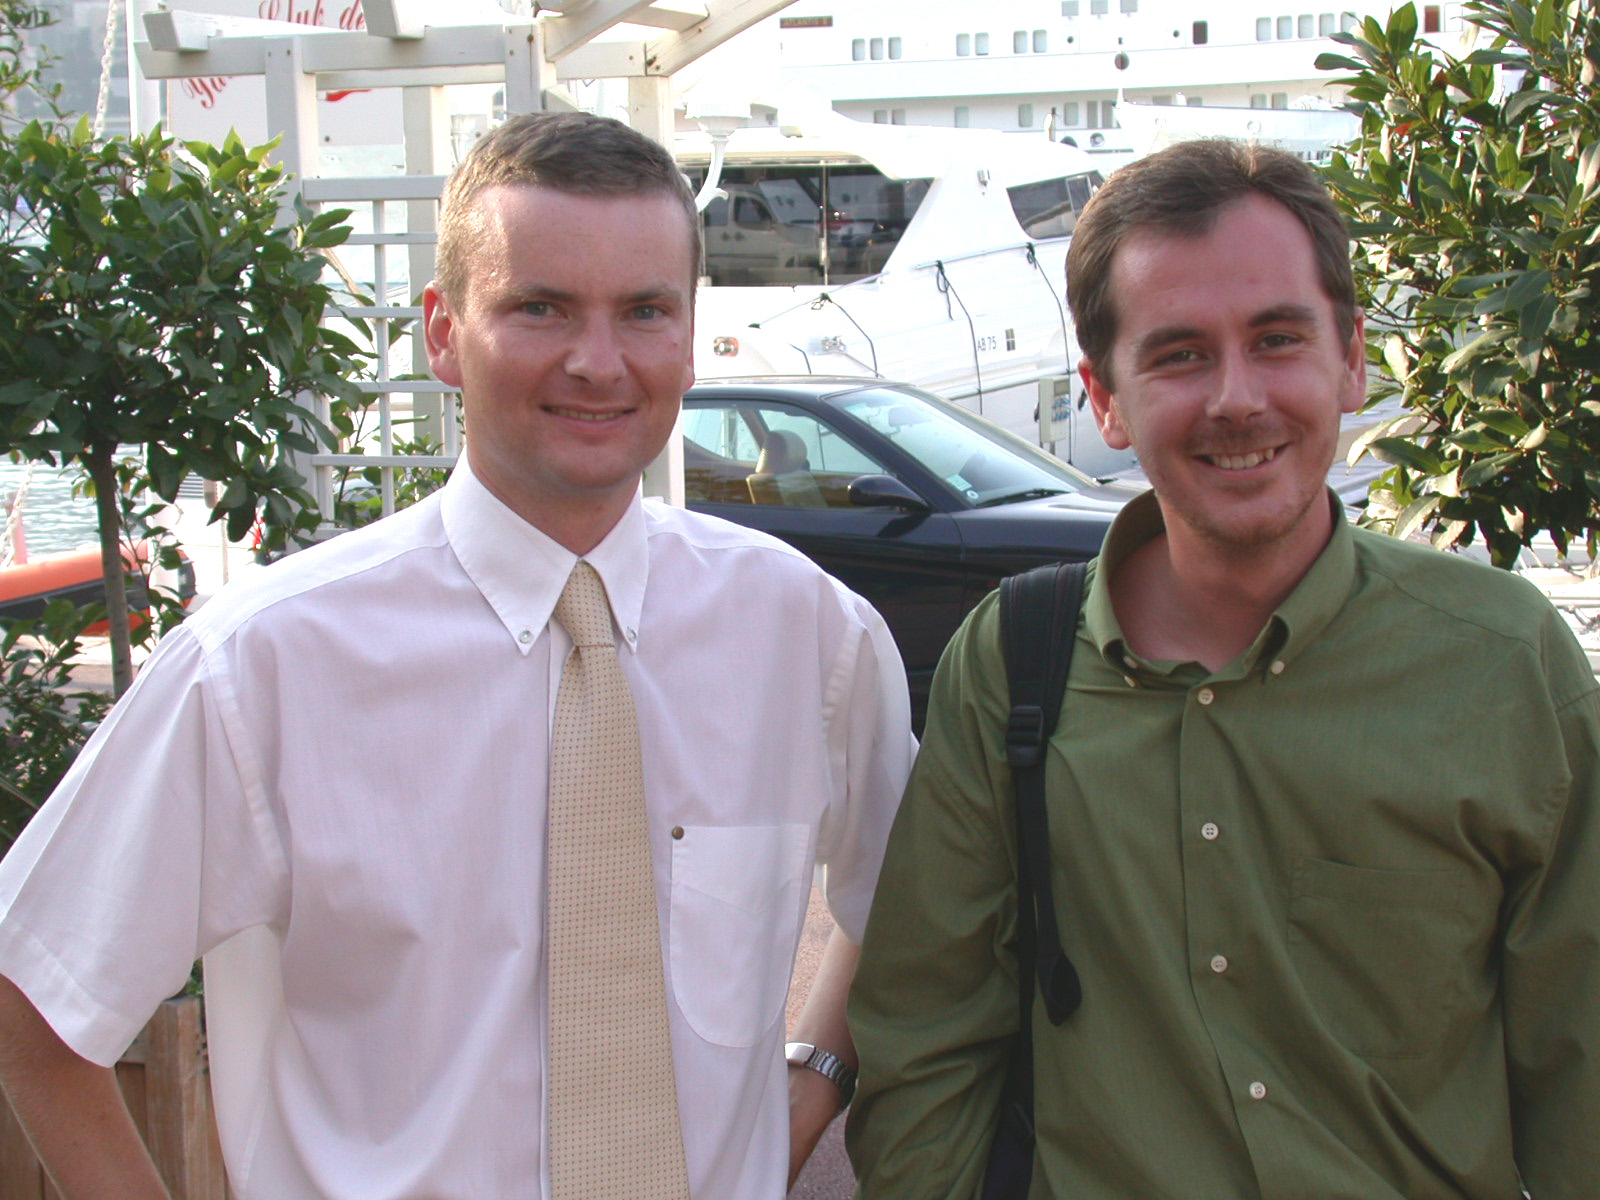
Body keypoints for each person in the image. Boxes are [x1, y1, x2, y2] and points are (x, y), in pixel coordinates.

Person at [0, 112, 915, 1199]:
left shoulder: (807, 636)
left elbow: (909, 908)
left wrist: (808, 1085)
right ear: (442, 332)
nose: (598, 361)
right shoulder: (264, 666)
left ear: (687, 334)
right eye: (540, 307)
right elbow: (30, 995)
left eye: (643, 310)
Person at [846, 138, 1600, 1199]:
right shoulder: (1013, 663)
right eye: (1180, 354)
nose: (1237, 398)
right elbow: (927, 1035)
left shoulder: (1499, 664)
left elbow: (1580, 1064)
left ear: (1352, 359)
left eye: (1277, 339)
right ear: (1104, 397)